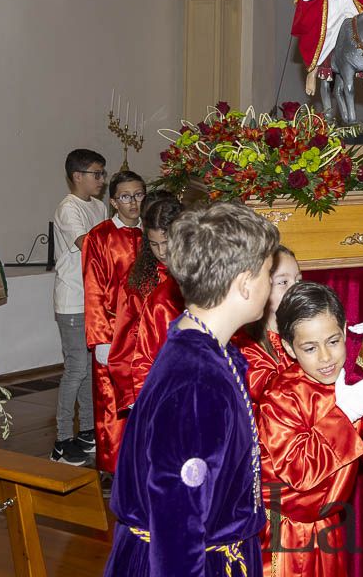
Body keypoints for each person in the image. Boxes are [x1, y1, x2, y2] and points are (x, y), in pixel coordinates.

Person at [105, 202, 279, 577]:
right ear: (245, 283)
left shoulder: (199, 340)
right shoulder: (199, 384)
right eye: (268, 271)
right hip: (194, 561)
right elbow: (178, 513)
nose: (271, 282)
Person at [257, 281, 363, 575]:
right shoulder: (280, 397)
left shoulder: (351, 377)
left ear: (345, 331)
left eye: (333, 341)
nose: (326, 357)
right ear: (290, 348)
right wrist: (344, 414)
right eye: (310, 348)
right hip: (286, 533)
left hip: (326, 525)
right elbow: (300, 471)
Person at [83, 170, 146, 475]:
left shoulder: (154, 233)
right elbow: (93, 288)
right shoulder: (101, 236)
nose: (133, 203)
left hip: (149, 331)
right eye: (125, 197)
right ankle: (114, 467)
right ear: (113, 201)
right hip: (114, 332)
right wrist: (100, 339)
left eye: (138, 195)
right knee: (112, 403)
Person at [50, 149, 109, 465]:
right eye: (96, 173)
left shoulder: (99, 206)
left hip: (95, 300)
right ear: (78, 176)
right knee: (76, 369)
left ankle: (87, 430)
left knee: (91, 370)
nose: (101, 180)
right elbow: (89, 245)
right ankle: (61, 439)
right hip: (73, 299)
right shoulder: (68, 208)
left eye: (102, 174)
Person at [109, 195, 184, 413]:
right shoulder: (139, 281)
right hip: (154, 381)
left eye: (167, 243)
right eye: (154, 244)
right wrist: (134, 394)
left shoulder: (199, 275)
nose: (161, 252)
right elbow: (125, 339)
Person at [236, 246, 302, 402]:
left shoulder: (306, 329)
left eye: (298, 280)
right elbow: (277, 399)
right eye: (283, 282)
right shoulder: (247, 347)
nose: (295, 289)